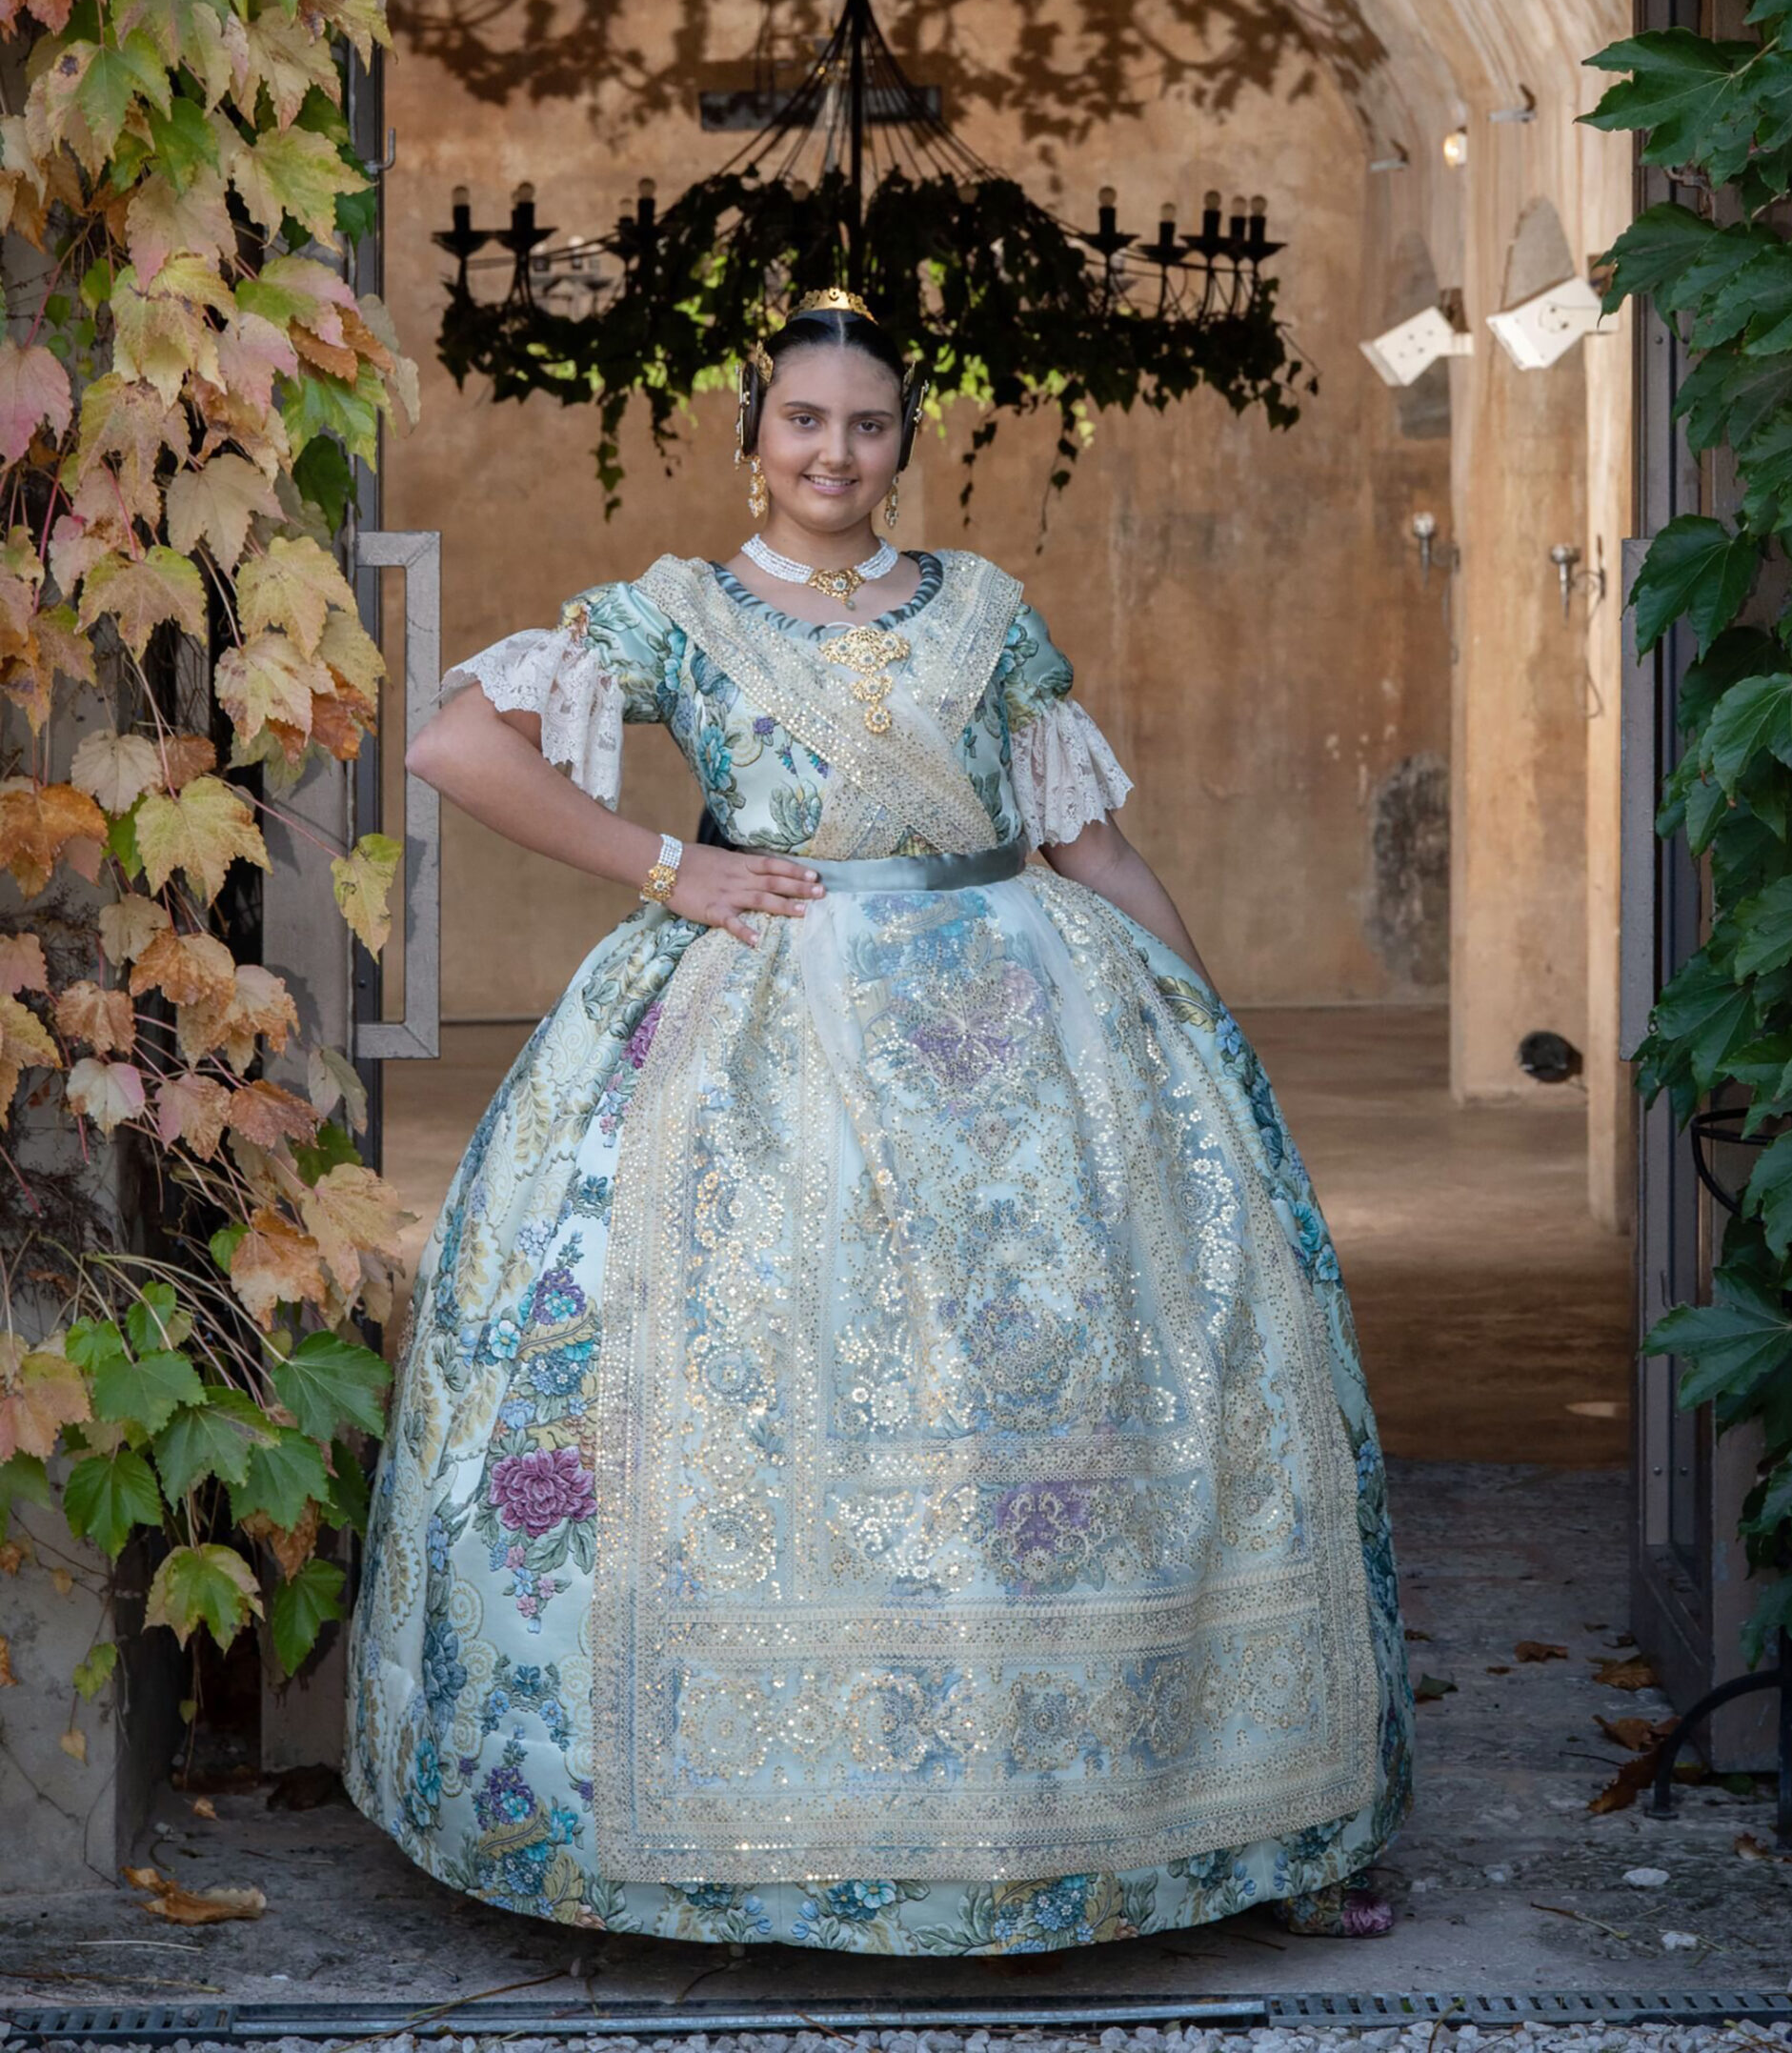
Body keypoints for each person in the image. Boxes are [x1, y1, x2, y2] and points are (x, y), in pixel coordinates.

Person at [344, 289, 1412, 1954]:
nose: (832, 452)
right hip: (761, 1030)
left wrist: (1210, 1039)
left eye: (864, 425)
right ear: (753, 440)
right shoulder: (675, 615)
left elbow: (1093, 848)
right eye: (802, 421)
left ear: (901, 446)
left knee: (1033, 1407)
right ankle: (711, 1834)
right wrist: (670, 867)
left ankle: (1152, 1817)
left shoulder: (986, 610)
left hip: (1025, 1041)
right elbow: (450, 743)